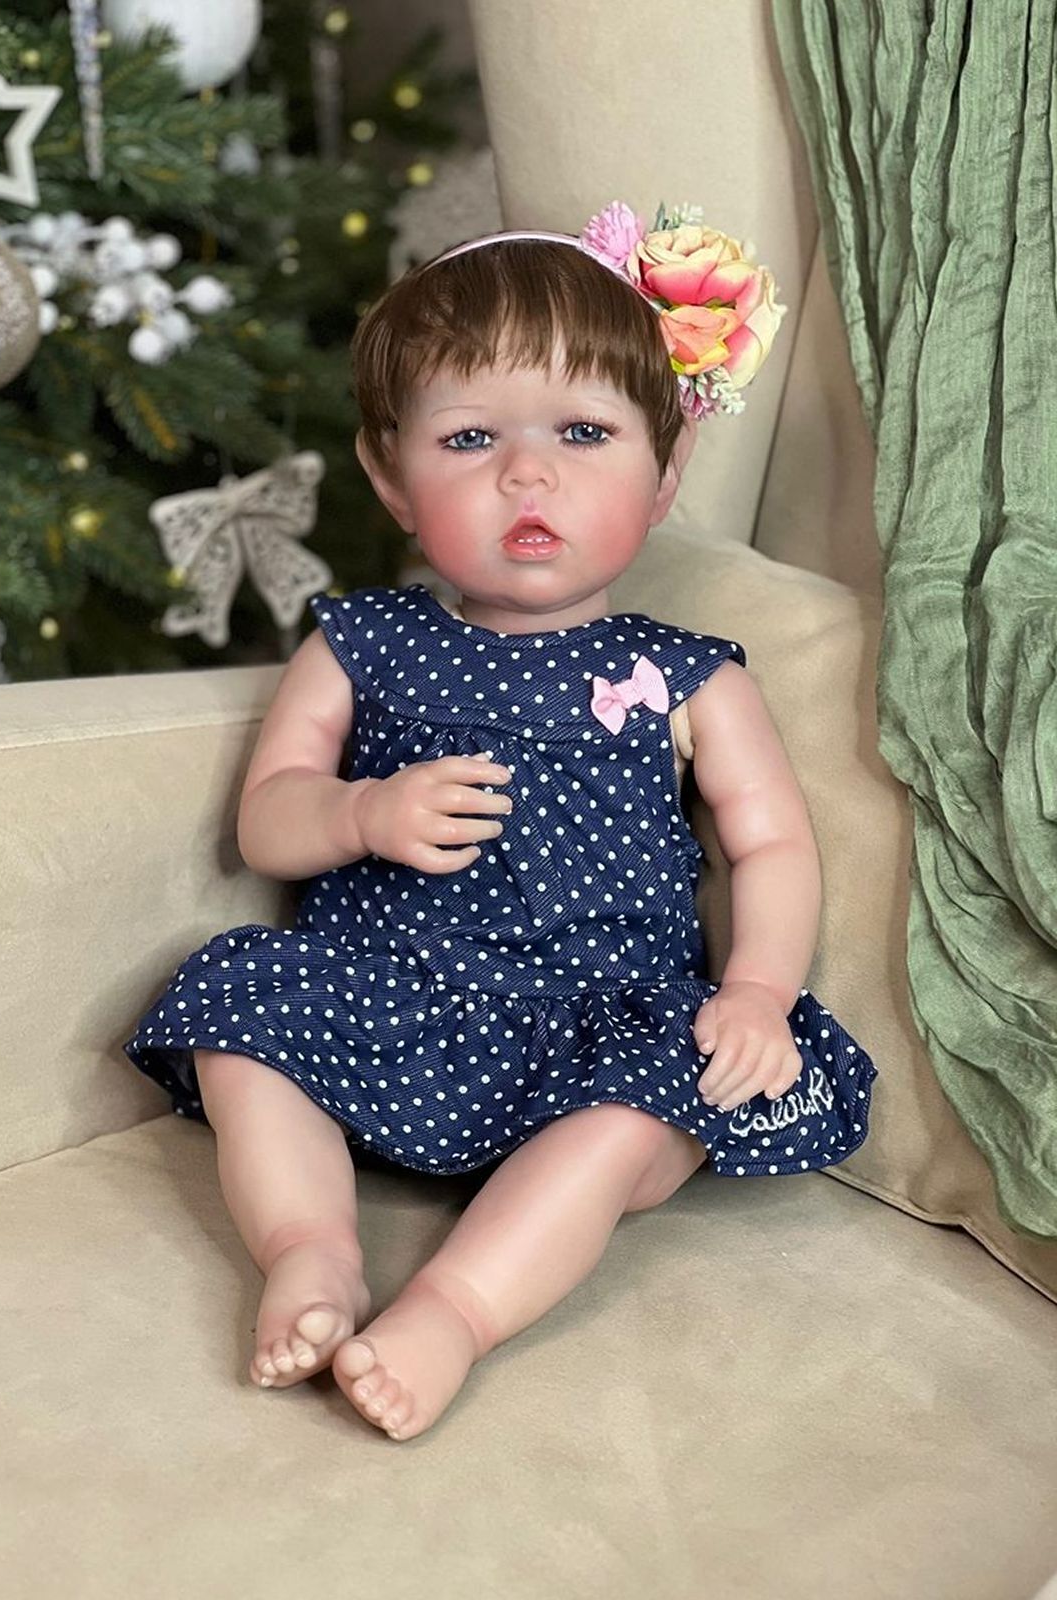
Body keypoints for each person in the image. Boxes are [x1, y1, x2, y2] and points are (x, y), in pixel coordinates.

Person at [124, 202, 877, 1444]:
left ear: (665, 469)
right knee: (241, 1011)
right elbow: (268, 821)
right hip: (386, 999)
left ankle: (456, 1310)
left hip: (599, 1026)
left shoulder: (687, 675)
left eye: (584, 431)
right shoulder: (363, 643)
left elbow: (772, 846)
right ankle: (309, 1250)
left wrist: (755, 991)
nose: (528, 474)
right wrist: (359, 810)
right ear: (390, 478)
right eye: (470, 437)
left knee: (637, 1119)